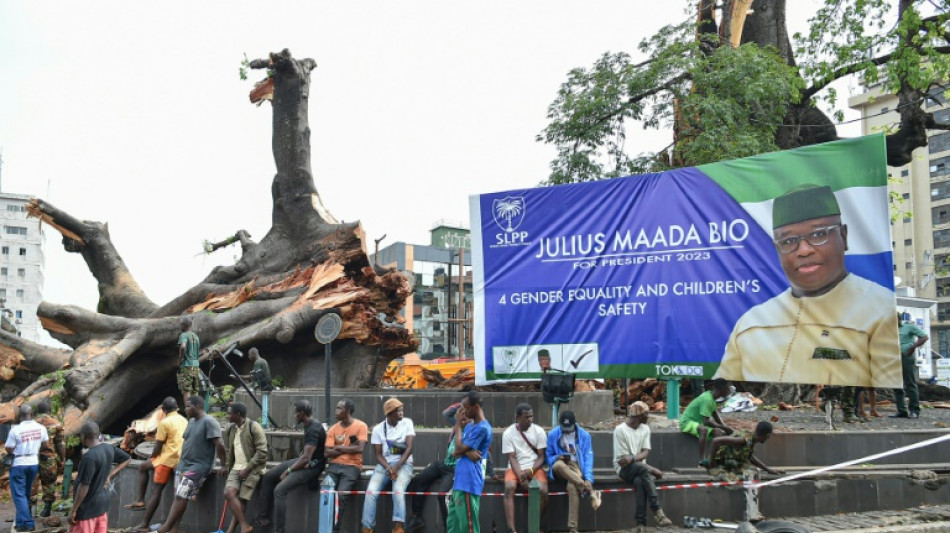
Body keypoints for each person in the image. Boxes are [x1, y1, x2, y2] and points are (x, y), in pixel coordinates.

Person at [715, 184, 901, 387]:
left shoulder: (880, 311)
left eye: (819, 235)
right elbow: (724, 387)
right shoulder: (750, 323)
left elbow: (887, 394)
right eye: (789, 241)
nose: (803, 250)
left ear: (844, 237)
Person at [156, 396, 227, 533]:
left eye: (188, 406)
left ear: (197, 407)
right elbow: (187, 441)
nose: (185, 409)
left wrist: (223, 464)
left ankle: (165, 528)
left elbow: (220, 444)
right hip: (183, 464)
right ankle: (174, 529)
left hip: (199, 466)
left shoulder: (209, 422)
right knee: (179, 497)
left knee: (181, 496)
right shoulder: (191, 421)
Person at [254, 400, 325, 533]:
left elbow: (306, 459)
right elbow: (306, 454)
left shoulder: (314, 428)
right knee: (269, 476)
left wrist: (288, 470)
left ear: (302, 413)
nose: (294, 415)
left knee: (279, 491)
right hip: (305, 461)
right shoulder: (308, 425)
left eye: (296, 412)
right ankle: (263, 517)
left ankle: (279, 531)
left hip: (312, 467)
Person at [406, 400, 470, 532]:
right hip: (444, 463)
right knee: (418, 480)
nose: (463, 418)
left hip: (455, 469)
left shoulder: (472, 431)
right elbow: (447, 413)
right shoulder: (457, 425)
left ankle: (448, 527)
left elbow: (459, 452)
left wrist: (491, 472)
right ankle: (417, 518)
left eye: (466, 415)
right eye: (461, 414)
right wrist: (462, 405)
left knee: (442, 495)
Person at [127, 397, 188, 532]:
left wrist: (152, 457)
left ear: (163, 410)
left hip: (167, 459)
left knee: (156, 490)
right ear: (177, 408)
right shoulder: (184, 420)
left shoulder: (164, 423)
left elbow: (158, 446)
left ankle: (144, 524)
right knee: (143, 467)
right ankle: (140, 500)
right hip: (180, 457)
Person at [613, 402, 672, 532]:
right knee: (644, 469)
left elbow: (645, 452)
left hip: (640, 467)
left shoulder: (645, 428)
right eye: (647, 414)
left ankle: (641, 524)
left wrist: (633, 458)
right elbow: (624, 462)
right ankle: (657, 511)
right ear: (640, 416)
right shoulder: (620, 430)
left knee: (640, 481)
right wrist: (651, 469)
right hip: (623, 469)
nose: (649, 417)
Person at [362, 398, 415, 533]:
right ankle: (367, 527)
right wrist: (389, 468)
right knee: (370, 492)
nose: (402, 413)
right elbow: (378, 455)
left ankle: (398, 528)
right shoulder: (378, 429)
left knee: (398, 490)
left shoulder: (407, 423)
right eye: (399, 411)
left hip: (404, 463)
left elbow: (409, 448)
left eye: (402, 410)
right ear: (390, 413)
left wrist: (396, 468)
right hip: (385, 465)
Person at [68, 421, 131, 533]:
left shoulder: (89, 458)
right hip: (102, 506)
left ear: (83, 436)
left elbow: (84, 486)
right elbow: (127, 458)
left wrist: (74, 509)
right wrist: (110, 475)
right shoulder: (108, 448)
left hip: (87, 509)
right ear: (99, 434)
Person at [545, 410, 601, 533]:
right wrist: (556, 457)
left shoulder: (584, 436)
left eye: (569, 428)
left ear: (575, 424)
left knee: (572, 485)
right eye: (564, 428)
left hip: (576, 467)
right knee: (558, 465)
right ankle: (588, 490)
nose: (567, 431)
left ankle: (573, 528)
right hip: (559, 466)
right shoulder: (553, 434)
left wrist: (588, 478)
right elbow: (548, 458)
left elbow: (588, 458)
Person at [446, 391, 492, 533]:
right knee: (453, 526)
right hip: (460, 481)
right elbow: (454, 451)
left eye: (466, 408)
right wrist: (466, 452)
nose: (463, 412)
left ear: (476, 407)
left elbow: (458, 448)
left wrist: (459, 426)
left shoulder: (482, 428)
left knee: (468, 527)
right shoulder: (471, 426)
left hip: (469, 482)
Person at [501, 403, 548, 533]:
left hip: (534, 467)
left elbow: (541, 457)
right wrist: (521, 477)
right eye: (526, 417)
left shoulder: (539, 431)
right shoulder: (508, 433)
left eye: (531, 416)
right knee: (509, 488)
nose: (530, 420)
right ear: (518, 417)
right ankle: (511, 529)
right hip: (515, 468)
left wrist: (530, 471)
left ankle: (534, 525)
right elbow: (512, 458)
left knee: (543, 491)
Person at [222, 402, 268, 533]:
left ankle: (231, 530)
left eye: (229, 413)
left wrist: (248, 469)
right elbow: (229, 450)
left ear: (238, 414)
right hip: (236, 468)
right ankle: (245, 526)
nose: (227, 416)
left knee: (242, 500)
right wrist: (226, 466)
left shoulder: (254, 427)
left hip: (253, 469)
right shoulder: (231, 429)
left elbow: (262, 452)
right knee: (228, 493)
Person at [324, 399, 369, 533]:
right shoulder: (333, 428)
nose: (336, 411)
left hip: (352, 466)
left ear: (348, 411)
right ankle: (325, 527)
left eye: (339, 408)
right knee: (326, 494)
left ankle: (335, 529)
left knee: (342, 495)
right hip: (334, 465)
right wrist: (347, 447)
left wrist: (338, 448)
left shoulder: (361, 426)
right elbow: (326, 452)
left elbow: (360, 449)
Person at [5, 404, 49, 532]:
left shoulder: (15, 430)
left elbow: (8, 447)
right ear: (32, 415)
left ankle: (29, 523)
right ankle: (19, 523)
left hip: (19, 463)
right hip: (33, 462)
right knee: (25, 494)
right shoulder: (41, 428)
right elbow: (45, 443)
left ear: (20, 416)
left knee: (19, 495)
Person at [705, 421, 785, 482]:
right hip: (721, 463)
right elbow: (716, 441)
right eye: (769, 436)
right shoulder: (743, 439)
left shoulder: (752, 439)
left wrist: (767, 469)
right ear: (767, 435)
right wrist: (711, 461)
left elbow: (750, 457)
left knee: (752, 471)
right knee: (749, 474)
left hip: (733, 462)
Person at [679, 379, 733, 463]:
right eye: (728, 388)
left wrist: (726, 428)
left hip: (697, 423)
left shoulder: (711, 398)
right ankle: (702, 459)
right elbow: (706, 422)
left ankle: (716, 459)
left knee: (718, 432)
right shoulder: (707, 399)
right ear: (723, 389)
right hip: (687, 422)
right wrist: (724, 427)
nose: (730, 390)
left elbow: (716, 416)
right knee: (704, 430)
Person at [893, 312, 928, 419]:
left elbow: (924, 336)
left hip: (906, 357)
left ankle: (914, 410)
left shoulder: (908, 326)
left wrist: (913, 347)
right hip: (893, 358)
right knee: (896, 385)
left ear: (899, 318)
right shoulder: (888, 330)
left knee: (910, 383)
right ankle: (901, 410)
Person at [34, 400, 65, 518]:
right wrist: (62, 459)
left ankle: (31, 510)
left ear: (37, 411)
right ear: (50, 410)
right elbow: (60, 444)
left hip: (33, 459)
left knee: (32, 483)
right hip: (49, 459)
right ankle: (47, 508)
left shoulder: (32, 423)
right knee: (49, 483)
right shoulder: (56, 424)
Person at [239, 348, 273, 427]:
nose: (249, 356)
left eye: (249, 354)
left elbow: (252, 377)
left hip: (264, 386)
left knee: (241, 388)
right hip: (266, 384)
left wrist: (238, 377)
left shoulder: (258, 362)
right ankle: (264, 422)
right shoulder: (263, 361)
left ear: (254, 354)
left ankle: (264, 423)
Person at [177, 317, 202, 409]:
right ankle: (197, 411)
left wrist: (180, 360)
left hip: (186, 365)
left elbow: (183, 346)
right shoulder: (196, 337)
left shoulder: (184, 335)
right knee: (195, 390)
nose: (180, 326)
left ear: (184, 325)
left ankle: (189, 412)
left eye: (181, 324)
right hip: (195, 366)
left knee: (186, 390)